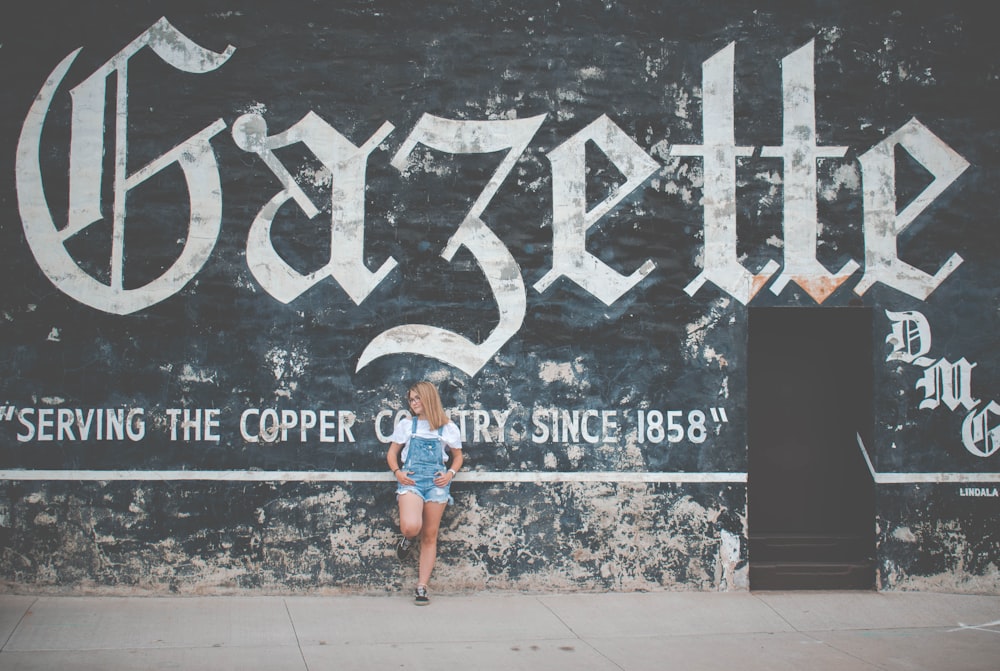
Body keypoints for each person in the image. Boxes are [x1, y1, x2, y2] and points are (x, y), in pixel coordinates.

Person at [386, 381, 463, 605]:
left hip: (437, 483)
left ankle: (422, 586)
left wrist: (450, 474)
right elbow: (392, 454)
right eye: (411, 400)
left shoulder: (447, 427)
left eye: (417, 398)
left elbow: (458, 456)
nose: (414, 403)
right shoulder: (407, 426)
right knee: (411, 525)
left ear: (429, 398)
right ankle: (408, 538)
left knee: (430, 535)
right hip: (411, 480)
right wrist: (397, 473)